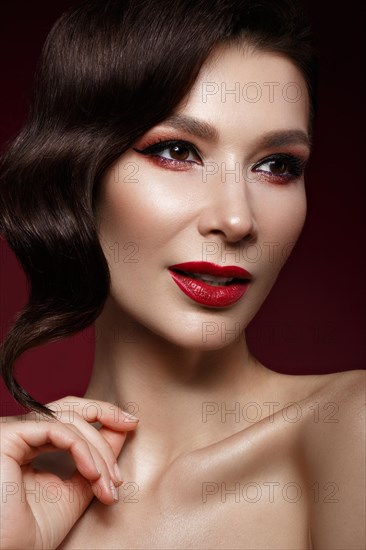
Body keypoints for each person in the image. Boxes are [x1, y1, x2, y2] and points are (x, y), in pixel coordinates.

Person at [0, 0, 365, 548]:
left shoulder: (348, 433)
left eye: (276, 165)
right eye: (177, 151)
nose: (237, 219)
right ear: (78, 173)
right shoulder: (21, 493)